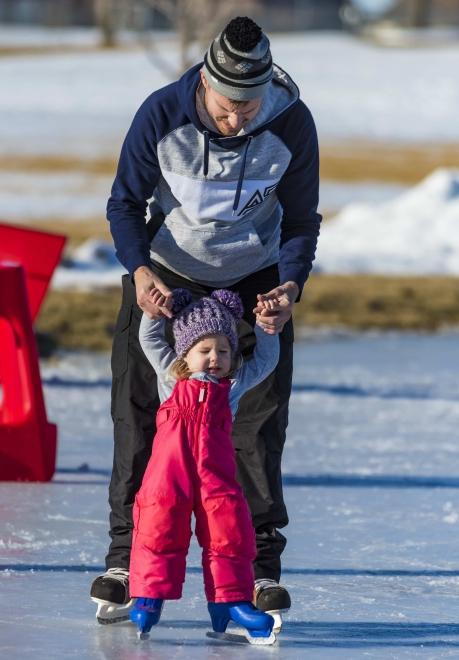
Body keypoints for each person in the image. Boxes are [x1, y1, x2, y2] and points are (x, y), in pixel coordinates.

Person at [90, 15, 321, 630]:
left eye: (251, 105)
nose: (238, 117)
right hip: (168, 272)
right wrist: (139, 271)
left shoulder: (291, 123)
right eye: (228, 105)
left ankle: (262, 568)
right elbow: (124, 202)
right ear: (205, 84)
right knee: (139, 413)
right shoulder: (162, 113)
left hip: (256, 276)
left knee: (259, 419)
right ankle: (124, 561)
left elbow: (301, 220)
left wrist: (288, 287)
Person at [128, 287, 279, 644]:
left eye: (223, 350)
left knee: (230, 529)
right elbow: (149, 340)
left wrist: (266, 330)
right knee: (158, 524)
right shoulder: (171, 378)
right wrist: (153, 312)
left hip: (216, 476)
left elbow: (265, 362)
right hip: (169, 475)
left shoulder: (233, 388)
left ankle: (232, 601)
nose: (215, 357)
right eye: (205, 350)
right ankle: (149, 595)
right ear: (185, 354)